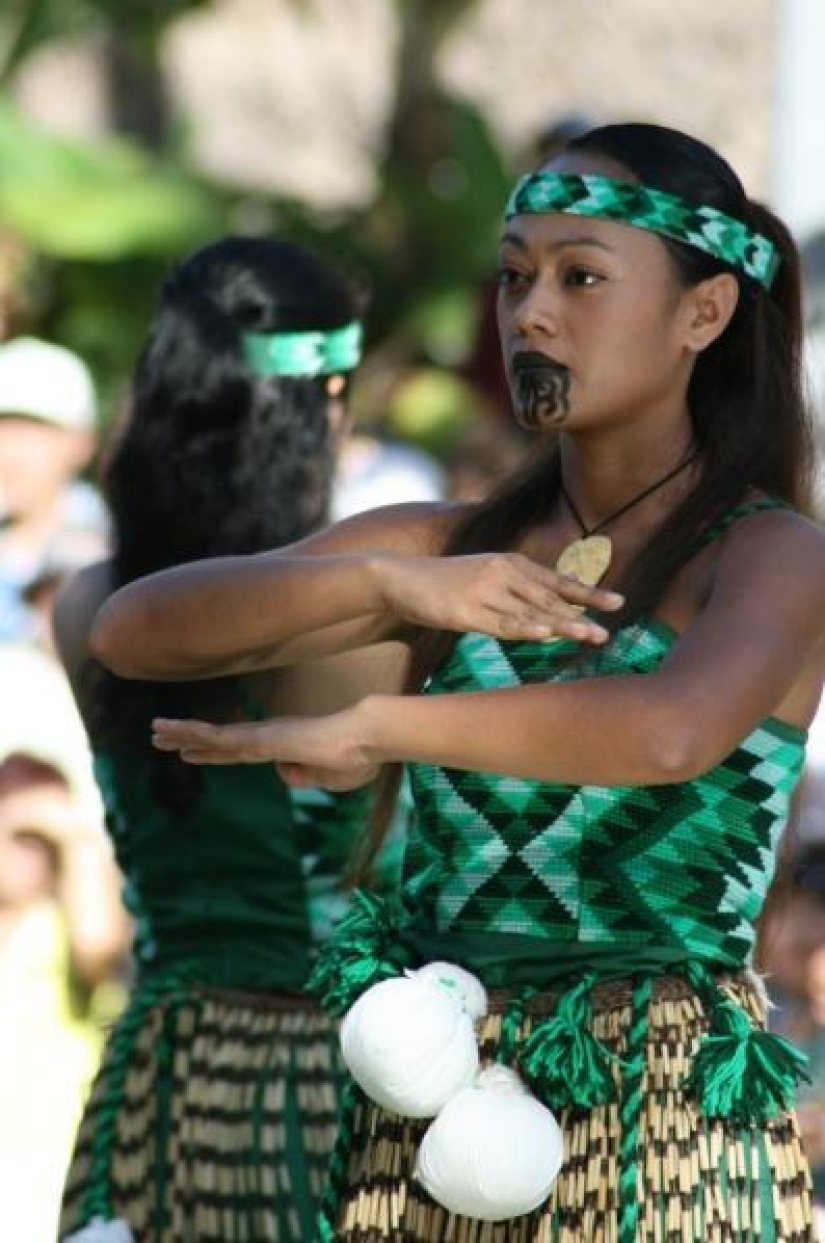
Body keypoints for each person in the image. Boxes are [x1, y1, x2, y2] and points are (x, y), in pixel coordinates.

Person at [93, 124, 825, 1241]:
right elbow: (135, 629)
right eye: (515, 275)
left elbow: (672, 731)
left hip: (660, 1115)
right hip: (424, 1106)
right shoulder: (442, 545)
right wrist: (392, 582)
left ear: (704, 314)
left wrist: (387, 723)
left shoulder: (772, 553)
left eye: (581, 277)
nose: (531, 314)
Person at [53, 236, 408, 1242]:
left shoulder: (87, 605)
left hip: (157, 1081)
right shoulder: (357, 625)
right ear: (322, 400)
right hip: (326, 1091)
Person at [0, 335, 108, 644]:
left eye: (35, 430)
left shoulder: (112, 549)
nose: (11, 452)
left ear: (82, 443)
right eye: (3, 427)